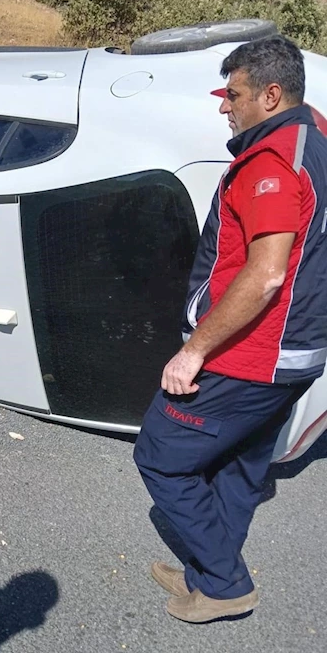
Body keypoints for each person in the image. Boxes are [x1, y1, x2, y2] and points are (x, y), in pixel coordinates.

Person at [133, 34, 327, 623]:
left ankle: (224, 583)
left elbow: (266, 274)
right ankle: (206, 566)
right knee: (241, 464)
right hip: (299, 349)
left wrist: (193, 352)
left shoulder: (271, 163)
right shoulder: (313, 135)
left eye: (234, 94)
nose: (225, 106)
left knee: (161, 456)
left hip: (255, 352)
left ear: (271, 94)